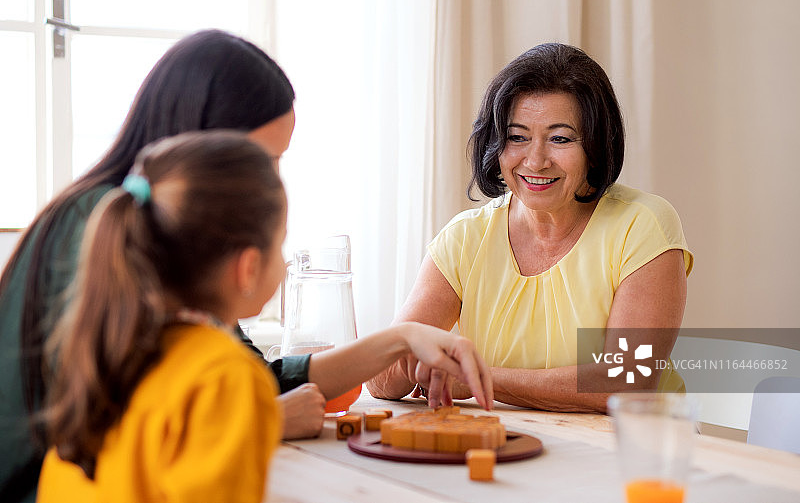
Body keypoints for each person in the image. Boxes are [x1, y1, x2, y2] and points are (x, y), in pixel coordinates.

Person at [0, 29, 490, 502]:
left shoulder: (170, 244)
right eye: (262, 158)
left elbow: (255, 378)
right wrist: (263, 420)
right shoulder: (105, 233)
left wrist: (400, 339)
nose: (271, 180)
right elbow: (134, 421)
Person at [366, 43, 693, 412]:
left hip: (640, 451)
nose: (535, 161)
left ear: (597, 146)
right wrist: (403, 361)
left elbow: (625, 381)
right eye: (517, 137)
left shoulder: (643, 224)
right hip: (514, 444)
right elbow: (380, 378)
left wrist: (476, 378)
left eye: (560, 138)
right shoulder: (465, 239)